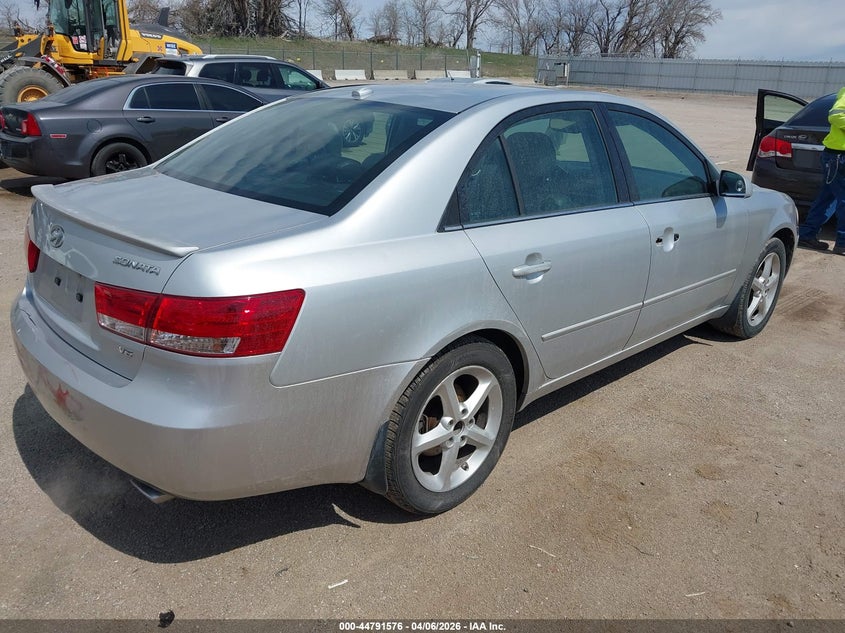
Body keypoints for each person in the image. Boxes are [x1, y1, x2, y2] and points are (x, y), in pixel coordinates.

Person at [798, 87, 845, 255]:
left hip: (835, 157)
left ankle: (807, 234)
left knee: (827, 198)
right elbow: (835, 115)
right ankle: (842, 243)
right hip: (839, 156)